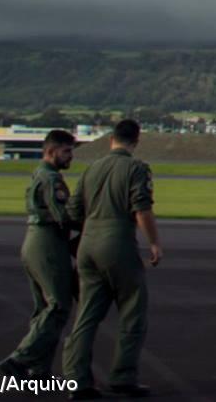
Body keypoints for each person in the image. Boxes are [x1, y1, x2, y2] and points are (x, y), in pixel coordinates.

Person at [63, 118, 162, 399]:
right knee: (133, 311)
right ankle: (122, 376)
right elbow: (141, 208)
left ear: (111, 139)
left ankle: (76, 378)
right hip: (118, 243)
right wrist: (154, 243)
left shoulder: (91, 168)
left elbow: (72, 210)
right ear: (136, 141)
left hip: (88, 245)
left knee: (87, 314)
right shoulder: (136, 168)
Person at [0, 129, 79, 378]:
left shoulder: (39, 174)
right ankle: (20, 358)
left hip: (34, 240)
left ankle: (39, 367)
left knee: (44, 308)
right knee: (58, 306)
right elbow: (63, 216)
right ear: (51, 151)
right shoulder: (52, 179)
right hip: (48, 243)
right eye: (67, 151)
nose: (71, 156)